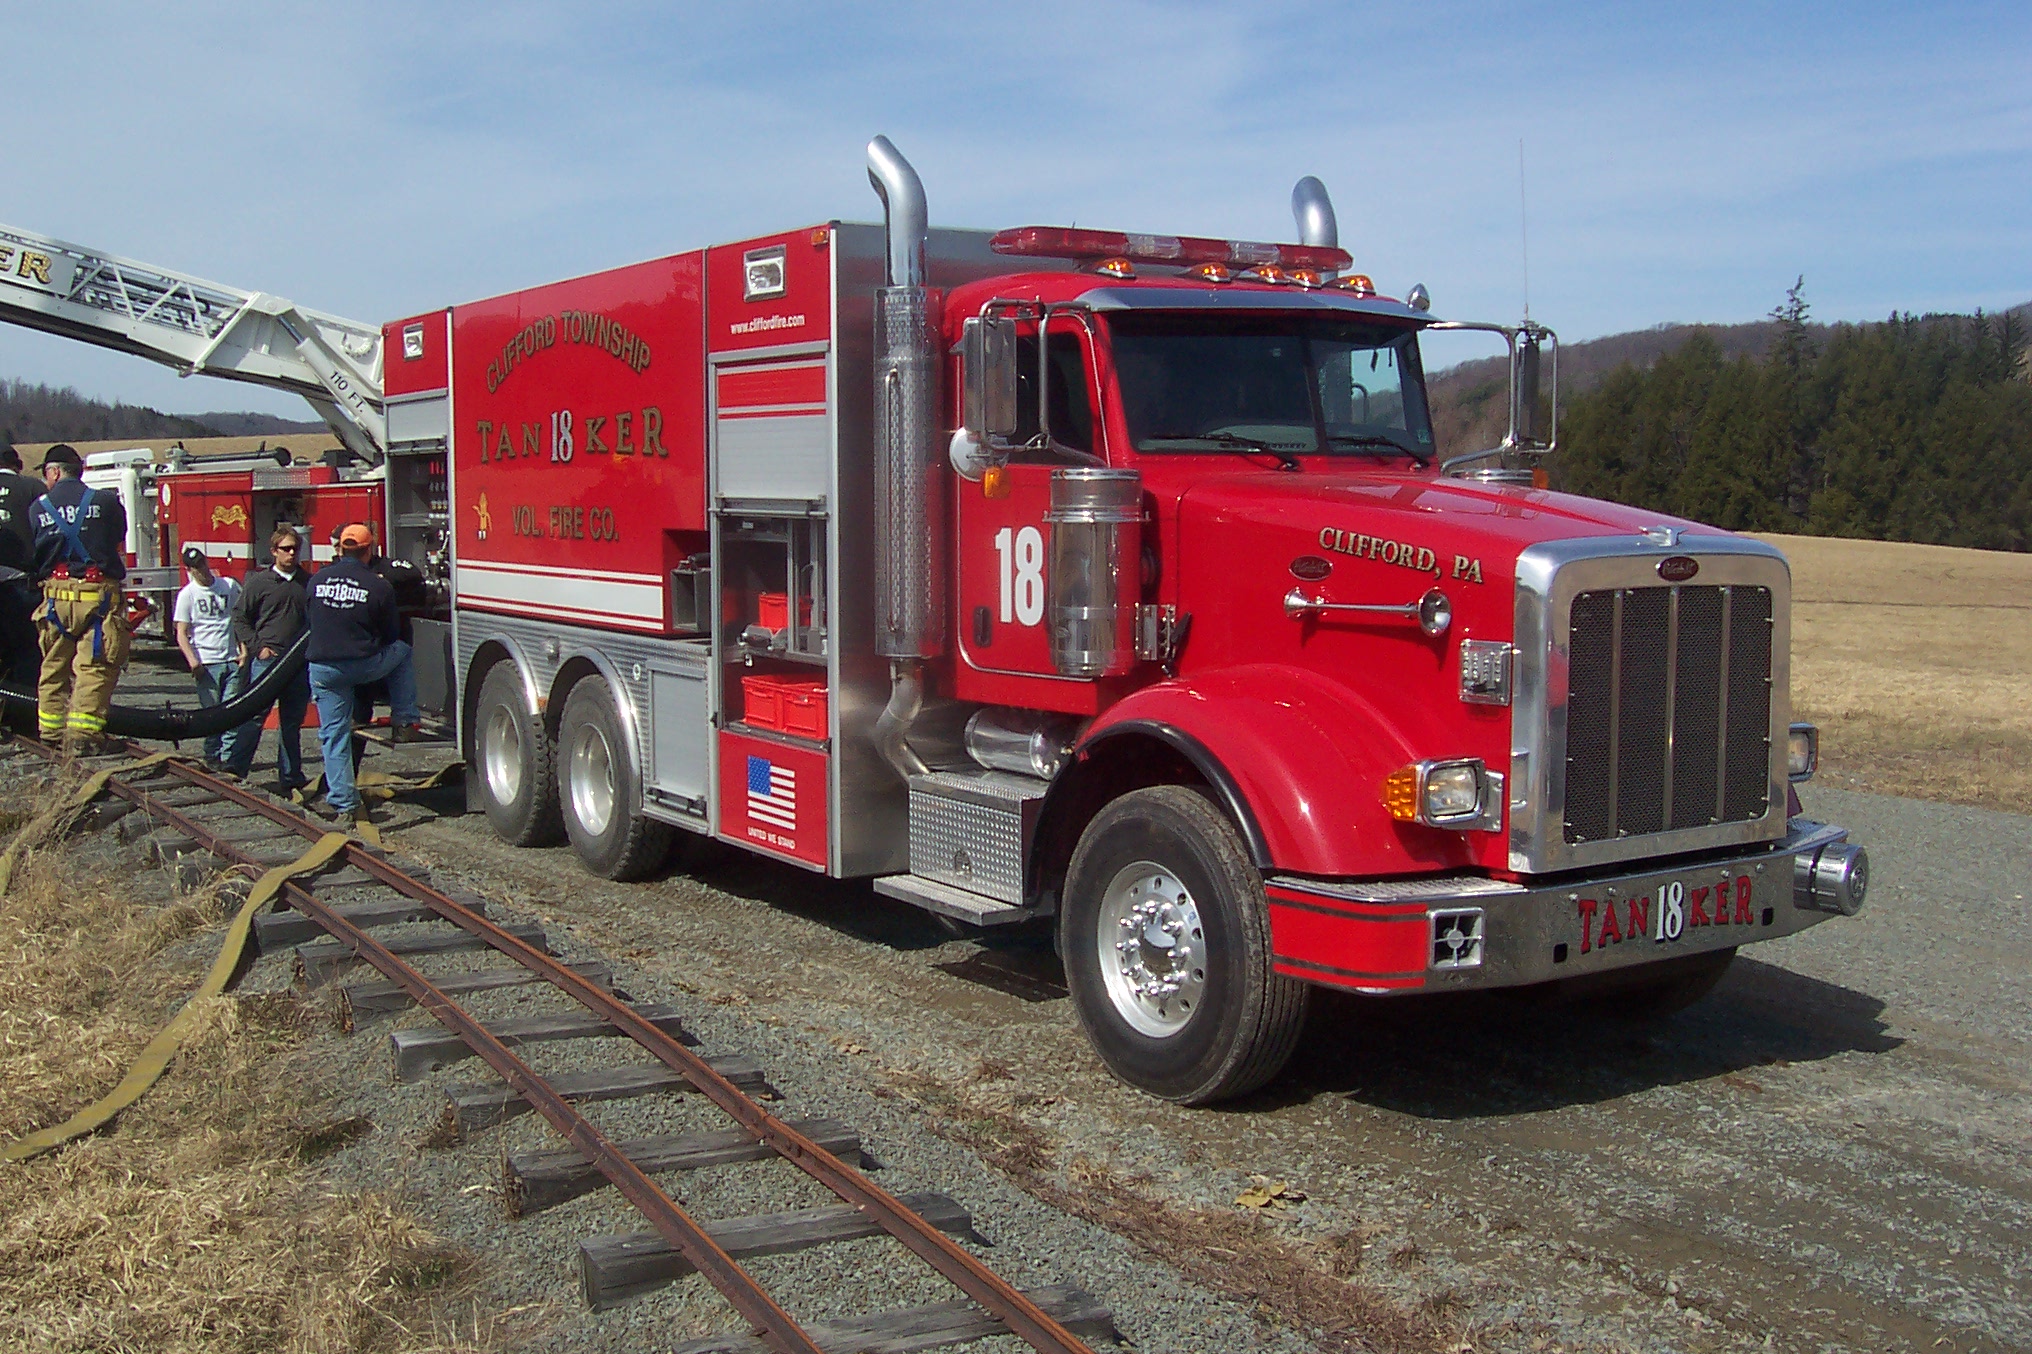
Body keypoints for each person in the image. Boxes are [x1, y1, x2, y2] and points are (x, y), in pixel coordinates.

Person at [306, 523, 420, 821]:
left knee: (333, 735)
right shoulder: (379, 585)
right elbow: (391, 632)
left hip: (324, 670)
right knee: (402, 649)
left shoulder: (316, 580)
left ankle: (344, 803)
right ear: (369, 550)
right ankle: (405, 719)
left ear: (340, 548)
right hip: (362, 666)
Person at [29, 444, 130, 752]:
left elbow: (37, 550)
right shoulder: (106, 501)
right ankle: (83, 737)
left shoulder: (39, 507)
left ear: (55, 472)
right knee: (95, 667)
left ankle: (50, 731)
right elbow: (118, 536)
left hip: (55, 601)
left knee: (53, 665)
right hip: (98, 599)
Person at [223, 525, 312, 788]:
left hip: (297, 662)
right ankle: (236, 769)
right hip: (267, 660)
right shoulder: (259, 583)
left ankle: (290, 776)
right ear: (274, 552)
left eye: (295, 549)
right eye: (286, 549)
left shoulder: (307, 583)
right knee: (253, 717)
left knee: (291, 723)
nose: (291, 554)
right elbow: (239, 617)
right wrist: (256, 646)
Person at [172, 545, 244, 769]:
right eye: (195, 567)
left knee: (231, 713)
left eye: (202, 564)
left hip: (231, 659)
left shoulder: (229, 586)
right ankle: (212, 757)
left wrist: (244, 650)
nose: (201, 570)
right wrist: (193, 661)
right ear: (189, 570)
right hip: (207, 663)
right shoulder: (188, 595)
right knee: (212, 715)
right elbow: (182, 633)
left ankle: (228, 760)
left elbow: (239, 621)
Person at [0, 446, 39, 690]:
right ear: (19, 465)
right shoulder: (33, 489)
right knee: (28, 650)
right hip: (23, 582)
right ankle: (24, 713)